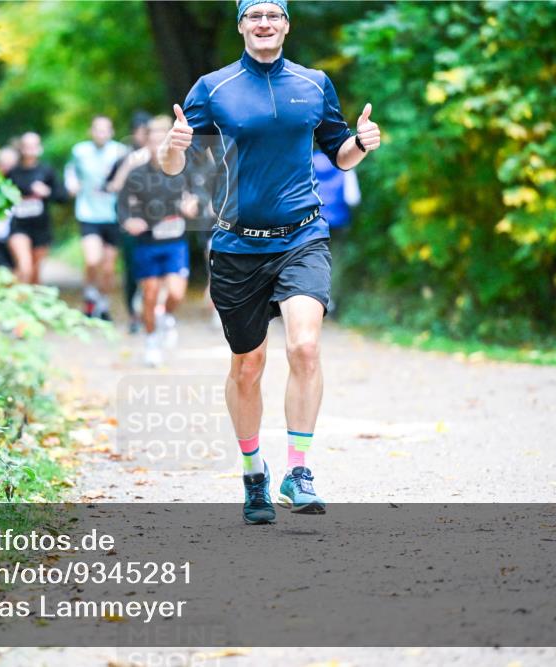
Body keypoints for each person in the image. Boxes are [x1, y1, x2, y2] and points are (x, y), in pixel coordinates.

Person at [157, 0, 381, 523]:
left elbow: (338, 152)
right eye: (253, 15)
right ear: (241, 25)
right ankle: (253, 473)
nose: (264, 23)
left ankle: (298, 471)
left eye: (273, 15)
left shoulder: (313, 83)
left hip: (303, 235)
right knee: (248, 365)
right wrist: (173, 146)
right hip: (237, 245)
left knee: (304, 346)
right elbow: (173, 167)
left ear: (286, 24)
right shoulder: (213, 87)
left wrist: (360, 144)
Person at [118, 115, 199, 367]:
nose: (157, 145)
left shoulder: (182, 170)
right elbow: (122, 207)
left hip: (175, 241)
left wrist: (191, 206)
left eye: (161, 139)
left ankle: (166, 317)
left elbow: (195, 198)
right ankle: (152, 340)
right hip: (147, 243)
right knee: (150, 295)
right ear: (146, 143)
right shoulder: (136, 175)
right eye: (152, 139)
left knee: (176, 293)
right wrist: (129, 222)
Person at [65, 116, 128, 319]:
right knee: (93, 260)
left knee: (109, 268)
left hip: (112, 215)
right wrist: (72, 184)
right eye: (97, 130)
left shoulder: (120, 151)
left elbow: (131, 176)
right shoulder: (80, 151)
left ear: (111, 132)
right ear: (91, 131)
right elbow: (70, 171)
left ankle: (103, 303)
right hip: (88, 213)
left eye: (105, 130)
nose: (101, 134)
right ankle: (90, 292)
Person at [106, 111, 153, 333]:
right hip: (131, 223)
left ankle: (151, 313)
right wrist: (129, 164)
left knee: (154, 270)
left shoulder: (162, 157)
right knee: (132, 270)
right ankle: (134, 316)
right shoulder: (124, 158)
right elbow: (113, 186)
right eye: (143, 132)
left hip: (156, 223)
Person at [7, 132, 65, 285]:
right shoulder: (12, 173)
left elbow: (62, 197)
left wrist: (47, 192)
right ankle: (14, 301)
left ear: (39, 148)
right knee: (24, 267)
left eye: (34, 146)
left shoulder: (47, 171)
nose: (30, 150)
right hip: (19, 227)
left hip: (41, 229)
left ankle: (29, 305)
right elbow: (1, 199)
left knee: (34, 274)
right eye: (27, 146)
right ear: (21, 148)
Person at [312, 148, 360, 313]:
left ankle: (306, 300)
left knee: (309, 258)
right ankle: (328, 302)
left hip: (311, 222)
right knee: (335, 260)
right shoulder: (345, 163)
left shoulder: (307, 161)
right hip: (337, 222)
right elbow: (353, 198)